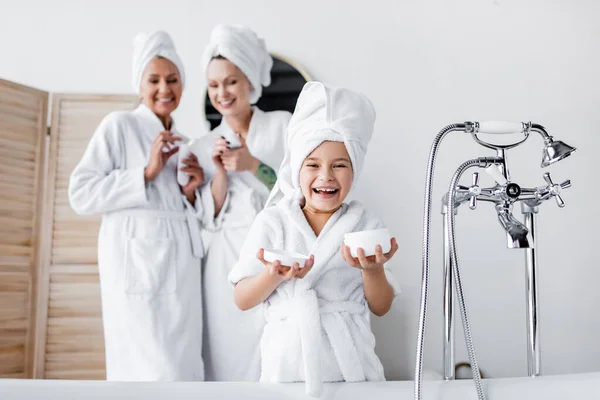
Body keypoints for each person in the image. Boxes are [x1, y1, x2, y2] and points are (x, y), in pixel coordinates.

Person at [228, 82, 400, 396]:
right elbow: (242, 299)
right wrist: (272, 275)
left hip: (353, 371)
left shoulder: (364, 223)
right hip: (287, 371)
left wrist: (373, 271)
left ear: (355, 170)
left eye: (339, 165)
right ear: (297, 169)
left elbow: (381, 306)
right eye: (313, 165)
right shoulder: (273, 221)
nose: (326, 177)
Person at [68, 31, 205, 381]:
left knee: (184, 364)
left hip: (183, 267)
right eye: (154, 79)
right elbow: (80, 193)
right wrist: (146, 172)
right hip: (138, 263)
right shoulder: (119, 126)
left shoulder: (184, 141)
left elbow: (190, 210)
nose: (165, 88)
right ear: (140, 84)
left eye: (173, 80)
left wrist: (191, 193)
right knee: (149, 367)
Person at [196, 24, 292, 382]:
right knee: (225, 349)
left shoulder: (284, 127)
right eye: (214, 85)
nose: (222, 92)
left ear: (250, 81)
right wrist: (220, 174)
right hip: (225, 259)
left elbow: (302, 190)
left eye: (231, 81)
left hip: (276, 250)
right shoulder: (204, 145)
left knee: (276, 346)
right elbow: (208, 216)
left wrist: (254, 165)